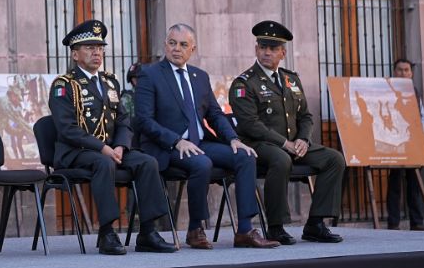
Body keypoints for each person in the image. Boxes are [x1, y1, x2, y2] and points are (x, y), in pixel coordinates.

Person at [133, 24, 278, 249]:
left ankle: (245, 230)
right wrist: (176, 141)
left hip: (200, 143)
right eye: (172, 43)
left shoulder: (199, 76)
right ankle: (195, 229)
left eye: (183, 45)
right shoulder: (149, 74)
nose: (176, 49)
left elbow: (215, 114)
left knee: (244, 155)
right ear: (165, 45)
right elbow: (143, 120)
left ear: (193, 49)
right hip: (167, 146)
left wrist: (233, 139)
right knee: (202, 163)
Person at [47, 19, 176, 255]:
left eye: (100, 48)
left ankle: (148, 231)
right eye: (89, 48)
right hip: (76, 153)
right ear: (75, 55)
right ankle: (107, 232)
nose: (97, 52)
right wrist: (103, 148)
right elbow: (68, 129)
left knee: (147, 162)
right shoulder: (64, 85)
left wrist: (120, 146)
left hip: (111, 150)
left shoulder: (109, 82)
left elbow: (124, 121)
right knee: (103, 162)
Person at [229, 20, 346, 245]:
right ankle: (276, 227)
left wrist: (303, 139)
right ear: (256, 49)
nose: (267, 53)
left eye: (272, 49)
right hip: (258, 145)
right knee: (281, 160)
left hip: (293, 144)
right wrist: (285, 143)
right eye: (263, 47)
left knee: (334, 159)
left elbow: (305, 116)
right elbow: (250, 124)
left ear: (282, 52)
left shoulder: (291, 79)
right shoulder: (244, 83)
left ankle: (316, 223)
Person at [386, 58, 424, 231]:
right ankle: (393, 222)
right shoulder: (387, 90)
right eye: (400, 70)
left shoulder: (414, 91)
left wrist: (420, 135)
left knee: (415, 184)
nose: (403, 73)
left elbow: (422, 116)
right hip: (394, 141)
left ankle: (417, 222)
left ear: (411, 73)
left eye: (406, 70)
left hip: (411, 143)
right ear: (394, 72)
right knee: (394, 183)